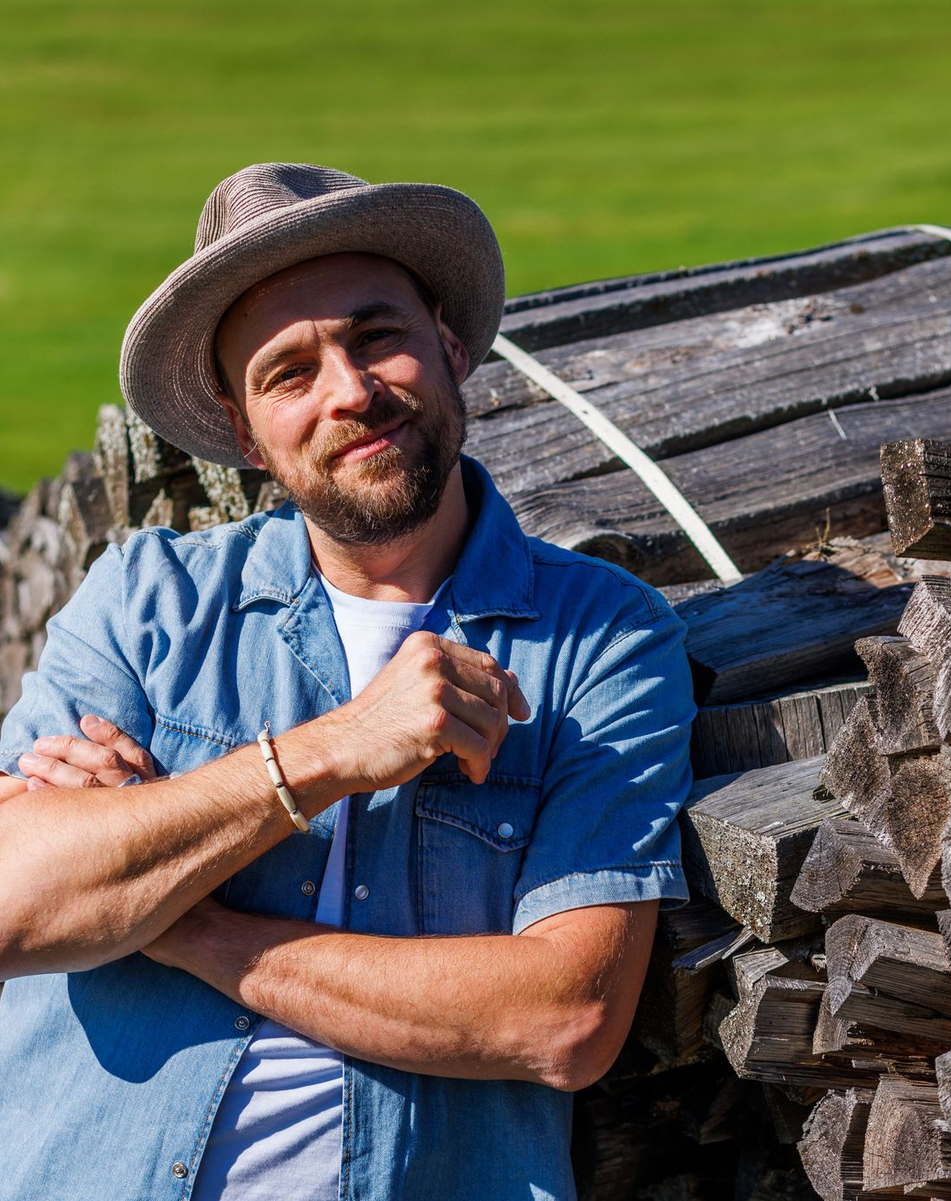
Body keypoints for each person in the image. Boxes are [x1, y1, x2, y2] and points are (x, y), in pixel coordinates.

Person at [0, 163, 694, 1200]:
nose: (351, 392)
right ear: (244, 434)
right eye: (287, 372)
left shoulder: (600, 635)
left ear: (450, 348)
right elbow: (12, 907)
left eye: (377, 337)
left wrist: (164, 915)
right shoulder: (148, 603)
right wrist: (327, 753)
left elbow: (564, 1018)